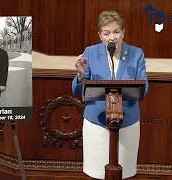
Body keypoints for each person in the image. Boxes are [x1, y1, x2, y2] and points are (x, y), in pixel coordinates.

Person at [72, 10, 149, 179]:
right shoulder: (90, 53)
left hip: (127, 121)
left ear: (123, 32)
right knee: (96, 173)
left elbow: (145, 89)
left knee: (125, 174)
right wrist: (80, 74)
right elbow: (78, 91)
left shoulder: (136, 54)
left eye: (116, 32)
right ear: (100, 35)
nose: (112, 37)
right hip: (96, 122)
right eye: (106, 33)